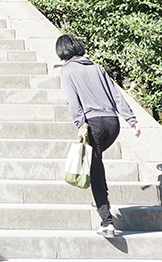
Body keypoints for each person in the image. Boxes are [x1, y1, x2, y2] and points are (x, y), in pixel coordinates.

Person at [56, 34, 141, 238]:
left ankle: (107, 222)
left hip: (93, 125)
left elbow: (73, 100)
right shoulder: (97, 67)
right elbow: (116, 94)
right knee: (96, 166)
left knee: (95, 172)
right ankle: (100, 196)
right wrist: (131, 120)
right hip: (113, 124)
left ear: (62, 53)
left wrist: (79, 123)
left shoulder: (67, 71)